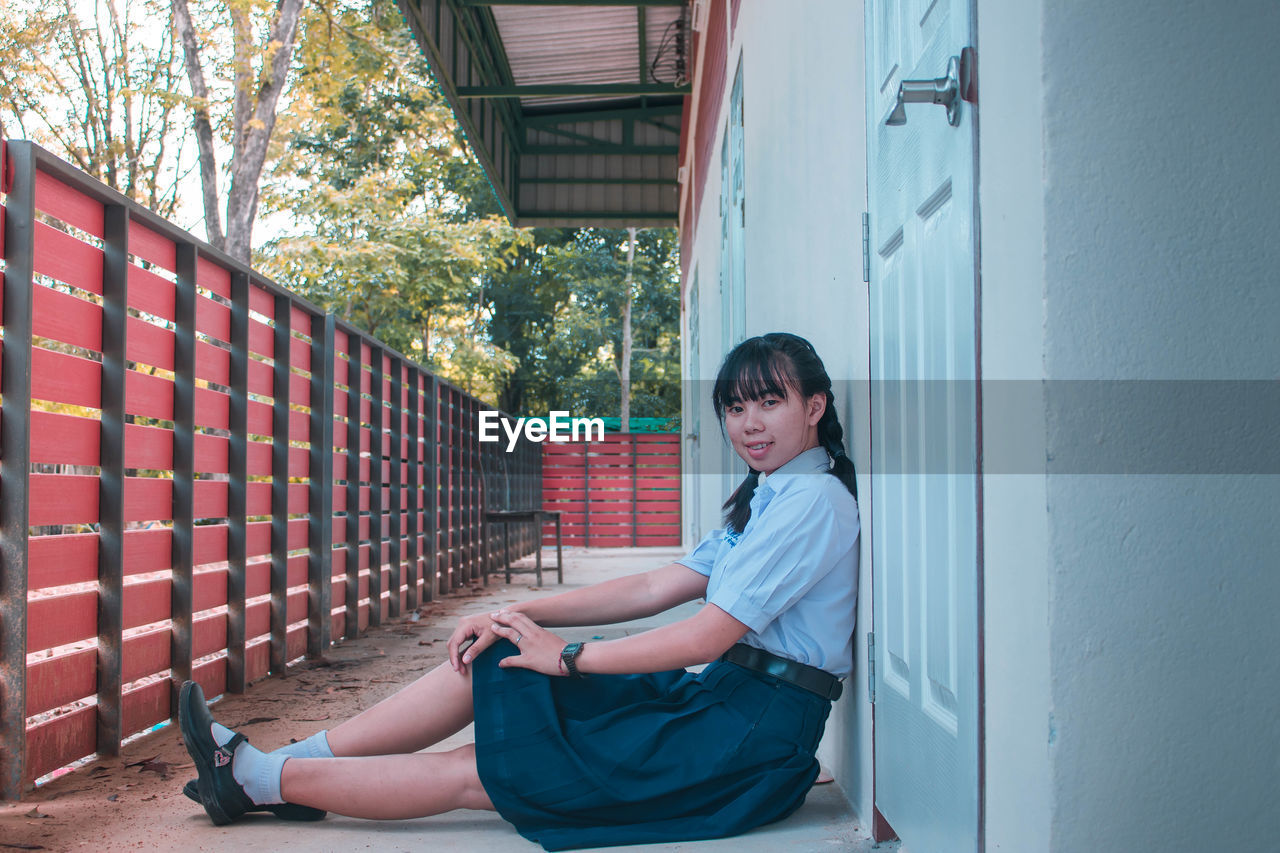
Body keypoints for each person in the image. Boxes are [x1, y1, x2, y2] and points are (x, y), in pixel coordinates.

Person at [177, 331, 860, 850]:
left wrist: (566, 655)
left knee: (494, 772)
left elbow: (705, 633)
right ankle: (272, 769)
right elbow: (656, 584)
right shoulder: (772, 494)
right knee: (495, 651)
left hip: (744, 733)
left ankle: (254, 779)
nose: (751, 423)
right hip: (720, 700)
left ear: (814, 406)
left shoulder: (812, 501)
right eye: (737, 407)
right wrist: (516, 611)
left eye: (771, 402)